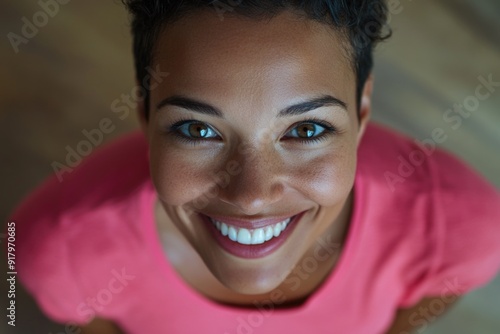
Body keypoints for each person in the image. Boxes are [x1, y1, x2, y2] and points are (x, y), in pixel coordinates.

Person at [8, 1, 500, 333]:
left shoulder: (460, 227)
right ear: (144, 113)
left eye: (306, 130)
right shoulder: (55, 252)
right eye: (198, 130)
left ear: (362, 110)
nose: (251, 196)